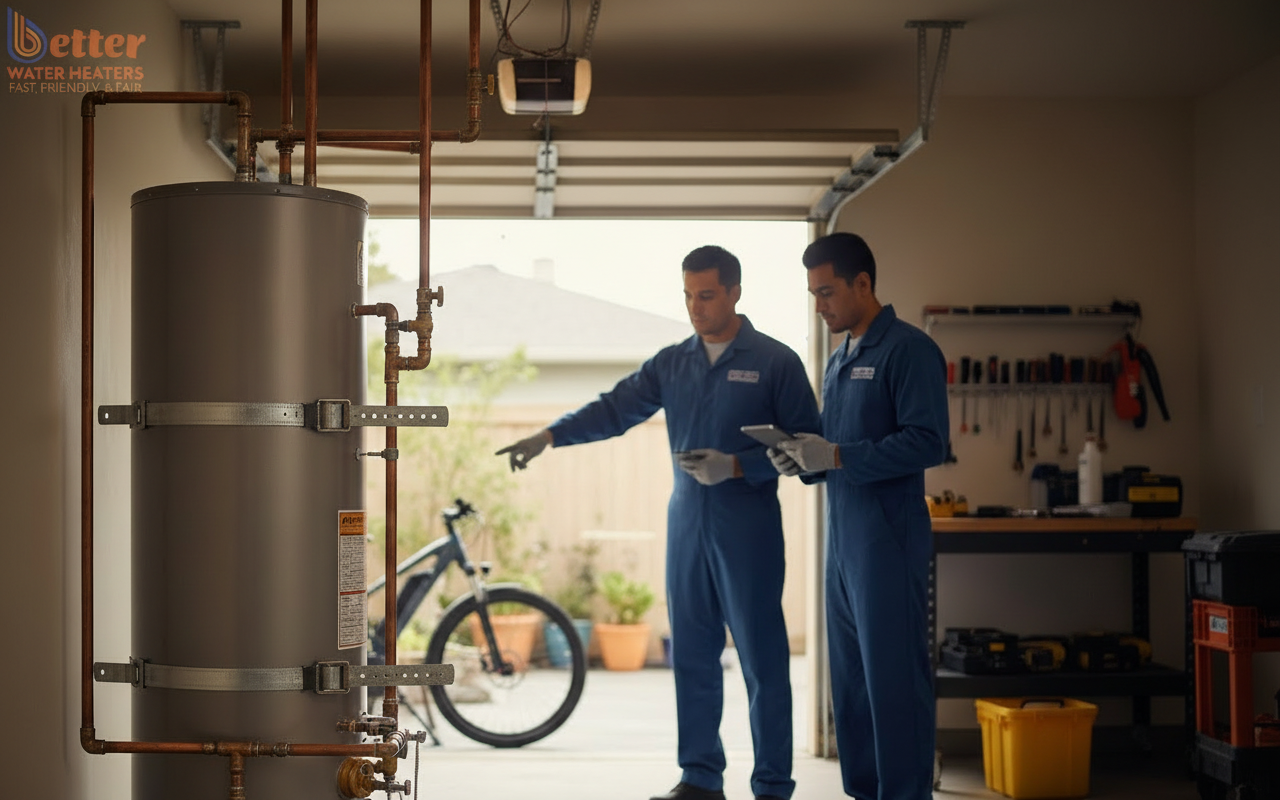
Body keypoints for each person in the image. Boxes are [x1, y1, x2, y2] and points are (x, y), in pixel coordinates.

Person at [496, 245, 821, 800]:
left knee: (763, 659)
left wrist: (739, 466)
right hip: (687, 524)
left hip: (748, 528)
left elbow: (809, 451)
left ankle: (772, 785)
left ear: (736, 292)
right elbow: (614, 409)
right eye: (689, 296)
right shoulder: (674, 362)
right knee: (691, 652)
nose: (696, 307)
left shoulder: (775, 361)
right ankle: (699, 778)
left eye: (708, 295)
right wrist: (548, 436)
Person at [770, 232, 948, 800]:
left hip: (888, 543)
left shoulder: (909, 350)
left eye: (827, 293)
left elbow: (927, 443)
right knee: (851, 685)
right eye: (813, 294)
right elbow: (834, 450)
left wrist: (840, 455)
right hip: (842, 545)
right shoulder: (841, 358)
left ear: (863, 284)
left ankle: (906, 793)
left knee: (894, 682)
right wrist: (802, 459)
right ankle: (866, 791)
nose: (819, 305)